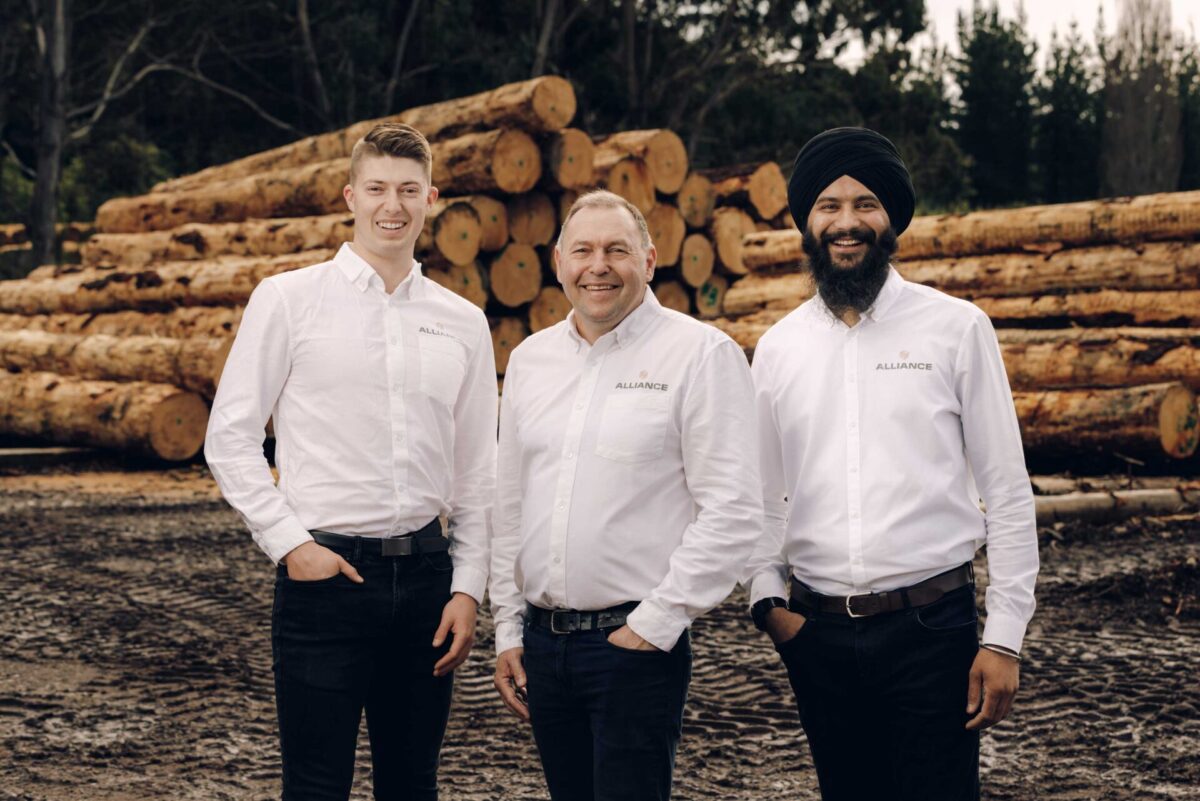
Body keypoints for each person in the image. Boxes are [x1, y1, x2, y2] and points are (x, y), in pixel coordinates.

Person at [744, 127, 1039, 801]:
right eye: (828, 205)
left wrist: (1004, 638)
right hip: (815, 635)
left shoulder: (958, 329)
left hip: (934, 632)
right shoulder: (778, 348)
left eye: (866, 202)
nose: (847, 222)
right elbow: (761, 497)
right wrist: (770, 606)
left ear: (893, 218)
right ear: (806, 222)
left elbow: (1008, 492)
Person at [205, 122, 496, 801]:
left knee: (411, 782)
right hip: (324, 581)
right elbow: (230, 434)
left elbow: (479, 469)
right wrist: (290, 544)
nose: (391, 205)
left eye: (408, 190)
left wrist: (468, 585)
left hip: (428, 579)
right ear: (349, 196)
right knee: (315, 785)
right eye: (376, 189)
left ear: (431, 199)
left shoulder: (463, 321)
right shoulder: (288, 299)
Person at [489, 190, 762, 801]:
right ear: (558, 261)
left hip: (633, 645)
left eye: (617, 250)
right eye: (582, 250)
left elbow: (735, 509)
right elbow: (509, 507)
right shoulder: (531, 360)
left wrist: (654, 626)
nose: (599, 265)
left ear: (651, 258)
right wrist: (508, 628)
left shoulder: (699, 353)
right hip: (543, 645)